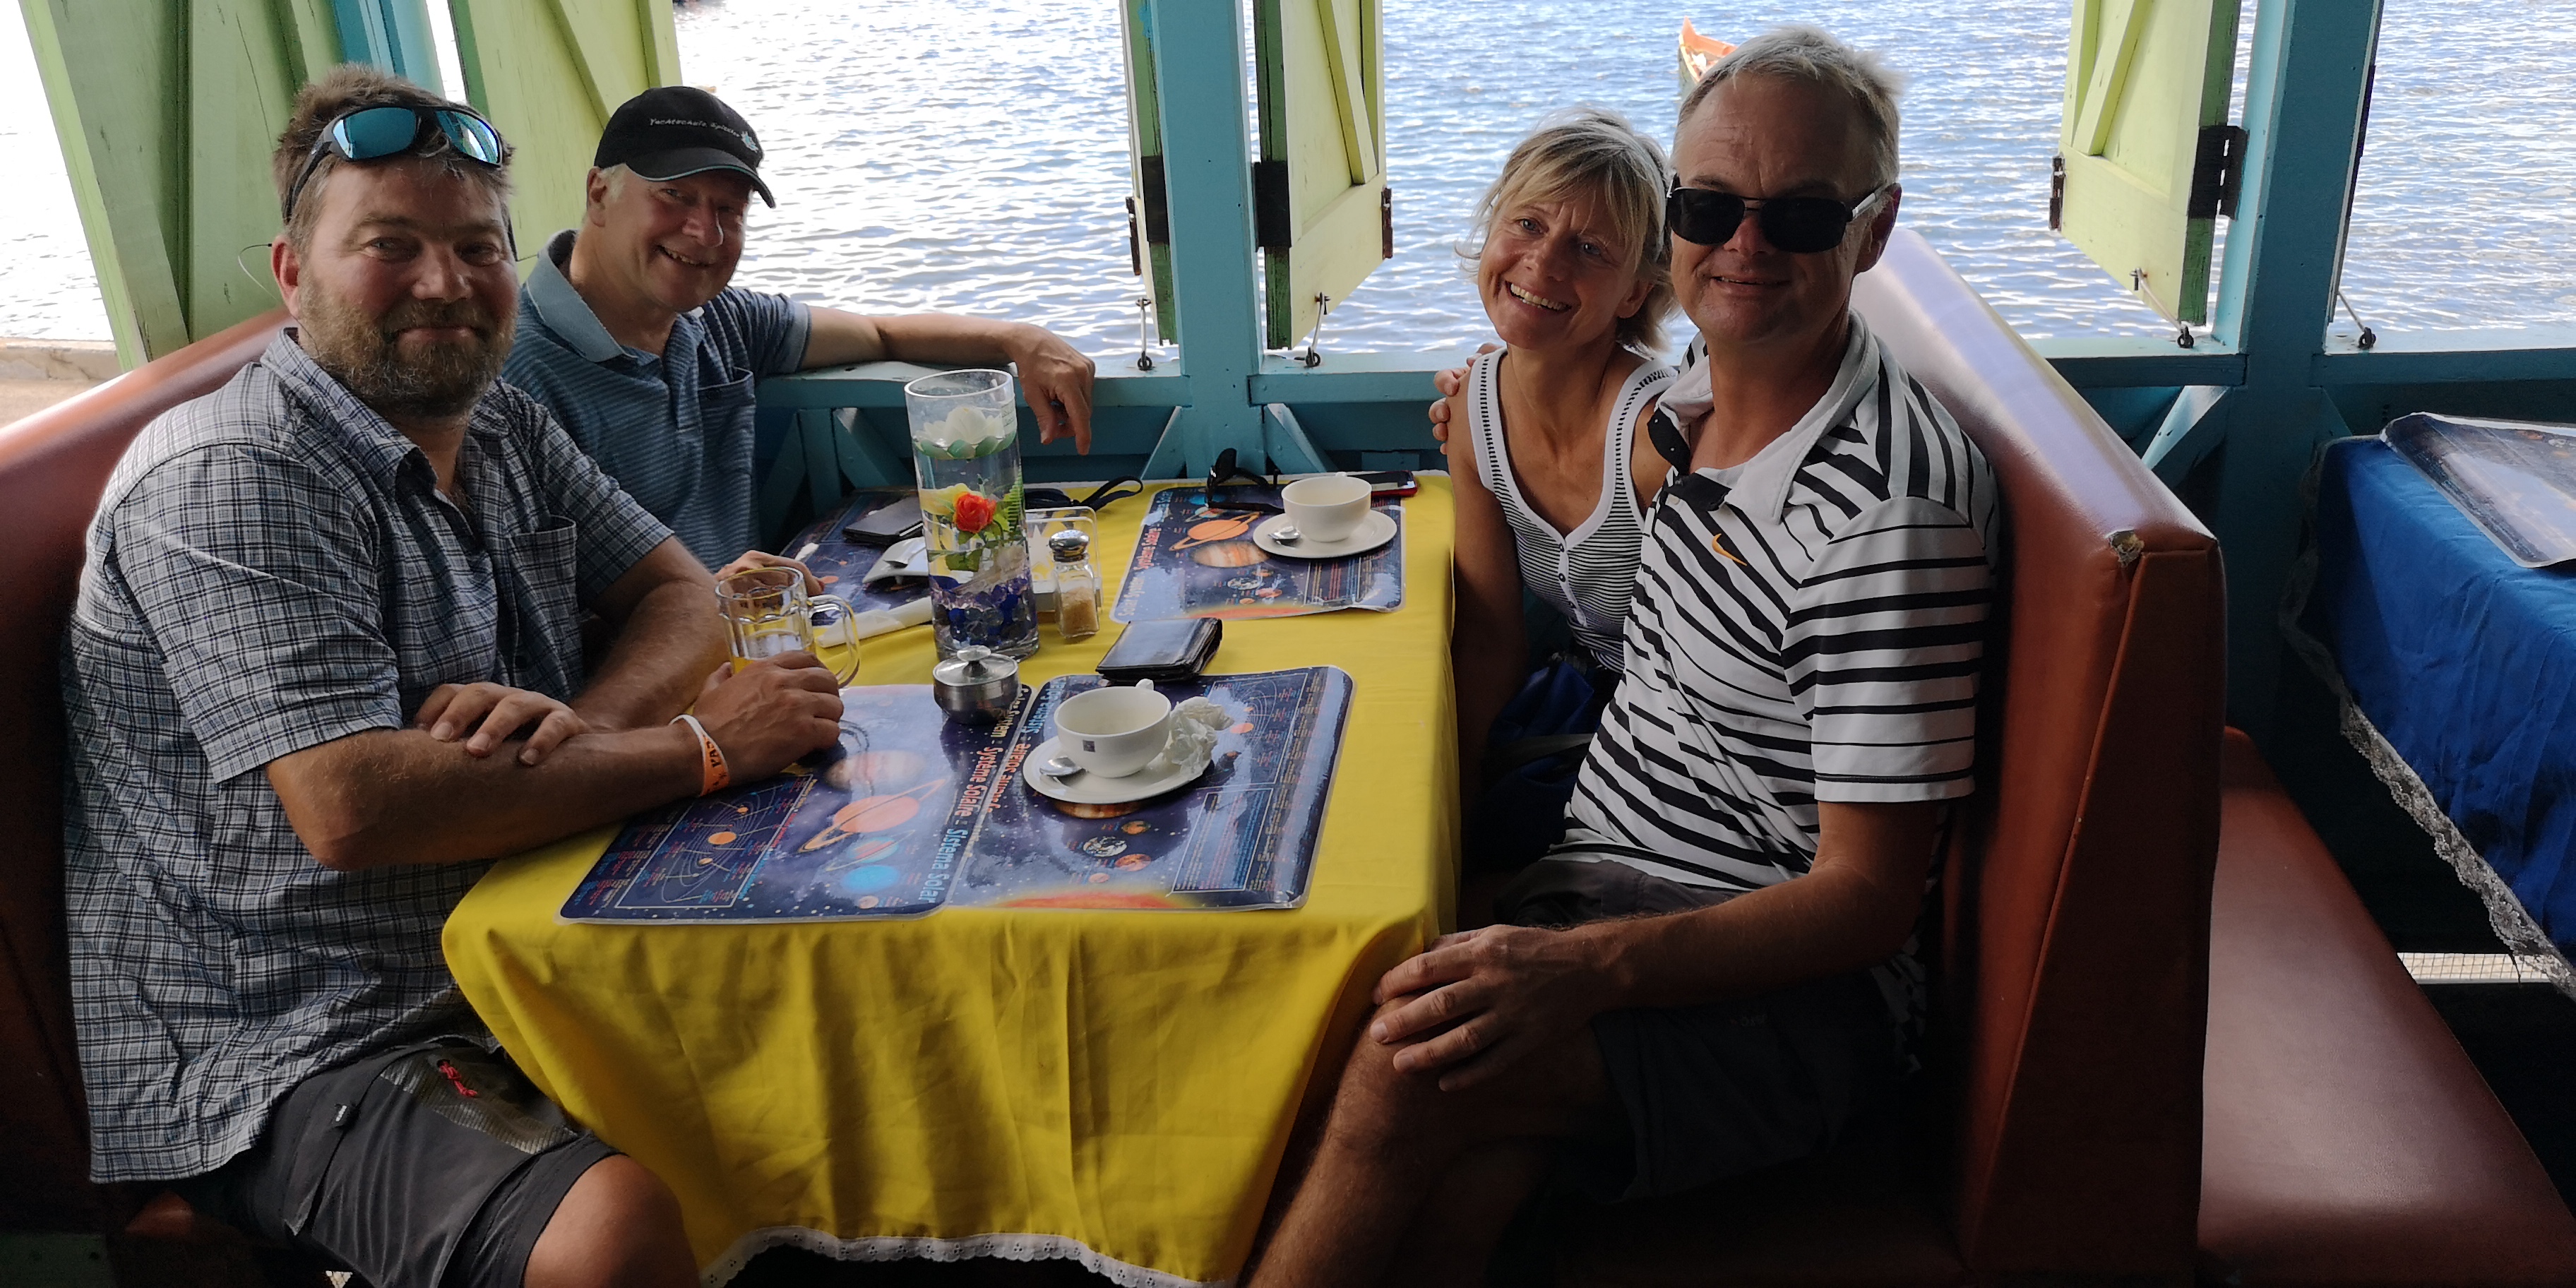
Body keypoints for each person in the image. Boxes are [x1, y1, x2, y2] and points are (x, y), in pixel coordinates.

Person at [61, 66, 846, 1288]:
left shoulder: (498, 423)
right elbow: (352, 806)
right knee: (610, 1234)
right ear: (293, 273)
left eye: (477, 247)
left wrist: (582, 730)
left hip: (525, 921)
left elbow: (688, 597)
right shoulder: (231, 474)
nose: (446, 282)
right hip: (307, 1029)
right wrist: (699, 750)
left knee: (841, 1012)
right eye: (391, 246)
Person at [1249, 27, 1998, 1284]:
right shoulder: (1693, 402)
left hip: (1790, 991)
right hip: (1606, 881)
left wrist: (1579, 968)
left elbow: (1868, 901)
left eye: (1800, 215)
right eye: (1710, 205)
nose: (1745, 245)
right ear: (1677, 224)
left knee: (1401, 1066)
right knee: (1373, 1071)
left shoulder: (1883, 511)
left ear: (1872, 230)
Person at [501, 85, 1099, 576]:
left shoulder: (720, 321)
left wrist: (1019, 340)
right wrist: (701, 600)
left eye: (729, 210)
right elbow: (526, 620)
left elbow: (880, 334)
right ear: (599, 193)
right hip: (661, 665)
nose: (706, 233)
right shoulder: (513, 375)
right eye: (675, 196)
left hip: (753, 634)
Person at [1440, 108, 1675, 873]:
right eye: (1528, 224)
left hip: (1676, 737)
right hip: (1577, 705)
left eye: (1589, 249)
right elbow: (1489, 639)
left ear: (1635, 293)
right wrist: (1456, 812)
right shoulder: (1474, 412)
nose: (1542, 264)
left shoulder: (1656, 439)